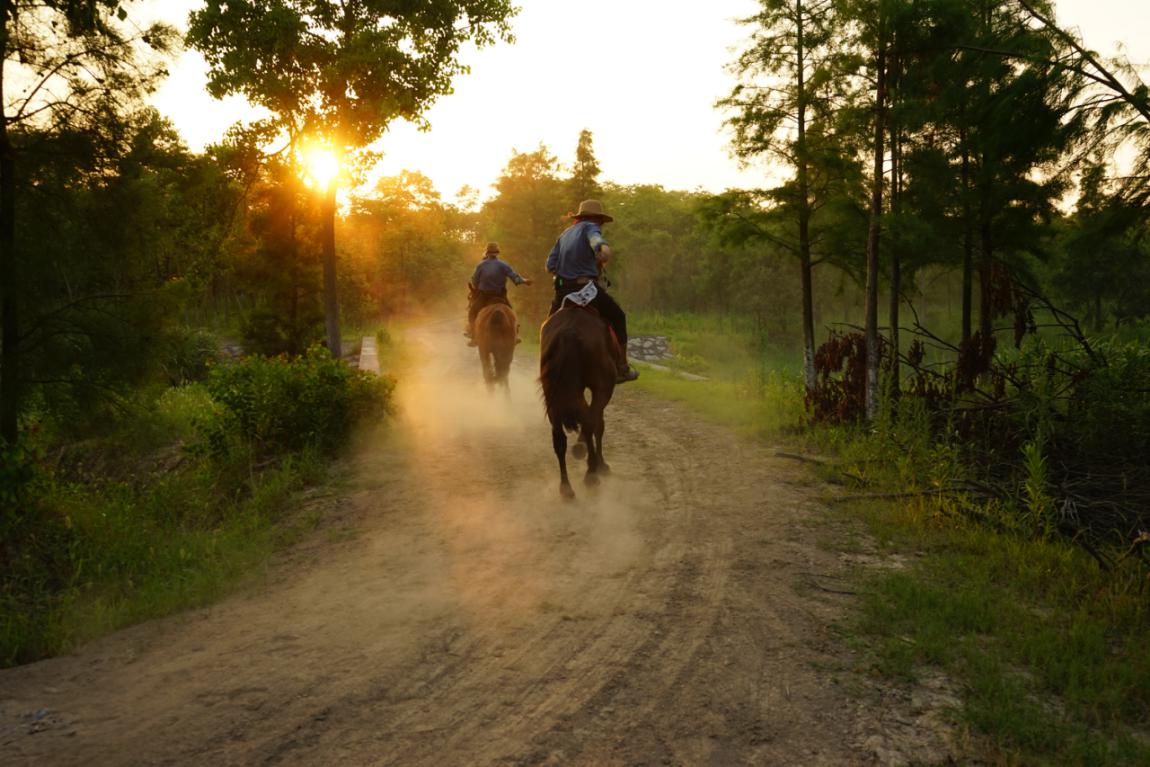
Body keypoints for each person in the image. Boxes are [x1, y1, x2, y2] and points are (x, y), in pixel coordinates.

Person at [545, 199, 639, 383]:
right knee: (618, 316)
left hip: (563, 291)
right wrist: (602, 249)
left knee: (548, 326)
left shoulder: (564, 235)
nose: (600, 225)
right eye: (601, 222)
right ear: (597, 219)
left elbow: (549, 265)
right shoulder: (591, 227)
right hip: (586, 288)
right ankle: (622, 366)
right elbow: (597, 241)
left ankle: (545, 362)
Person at [466, 241, 532, 345]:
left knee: (472, 313)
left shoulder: (481, 266)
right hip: (500, 296)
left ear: (487, 253)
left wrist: (478, 286)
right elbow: (515, 277)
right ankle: (515, 335)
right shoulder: (503, 265)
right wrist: (524, 281)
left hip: (484, 296)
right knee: (511, 313)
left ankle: (473, 335)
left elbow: (474, 281)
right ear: (497, 253)